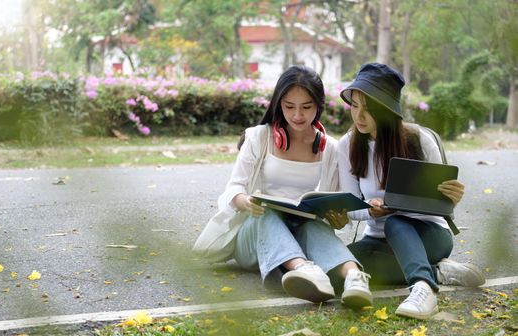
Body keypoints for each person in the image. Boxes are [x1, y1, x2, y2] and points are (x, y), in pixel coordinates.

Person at [208, 65, 372, 307]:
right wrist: (246, 202)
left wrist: (337, 217)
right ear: (278, 104)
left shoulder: (330, 149)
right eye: (289, 107)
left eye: (306, 107)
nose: (297, 115)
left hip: (300, 230)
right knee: (267, 213)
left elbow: (333, 202)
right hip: (254, 234)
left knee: (315, 227)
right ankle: (304, 271)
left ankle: (354, 278)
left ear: (318, 106)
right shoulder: (258, 137)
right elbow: (233, 189)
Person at [336, 63, 485, 320]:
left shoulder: (419, 139)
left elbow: (440, 201)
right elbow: (352, 208)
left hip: (429, 234)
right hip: (377, 240)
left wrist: (452, 197)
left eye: (369, 109)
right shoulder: (347, 145)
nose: (359, 116)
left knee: (395, 222)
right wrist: (369, 210)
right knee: (338, 270)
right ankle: (436, 272)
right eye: (355, 106)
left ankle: (424, 288)